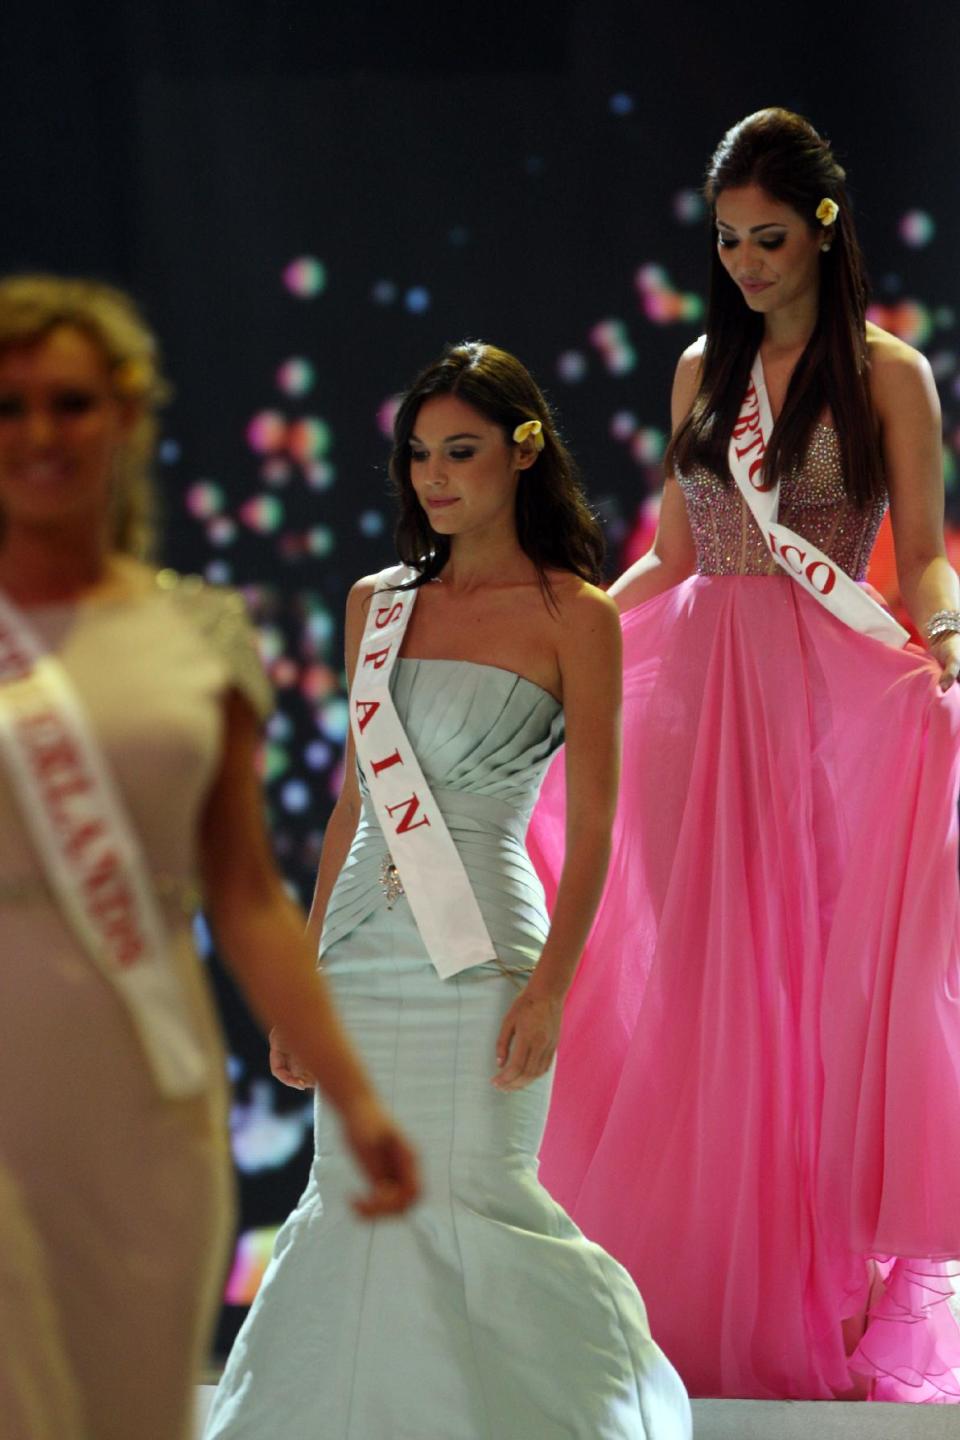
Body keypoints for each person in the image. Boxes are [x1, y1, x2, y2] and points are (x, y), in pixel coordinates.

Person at [528, 107, 960, 1402]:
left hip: (820, 704)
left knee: (806, 1008)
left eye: (768, 239)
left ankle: (812, 1305)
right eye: (728, 242)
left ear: (824, 232)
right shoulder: (697, 374)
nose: (747, 264)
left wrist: (942, 633)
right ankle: (680, 1297)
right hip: (691, 703)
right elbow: (673, 548)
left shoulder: (890, 377)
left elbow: (925, 549)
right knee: (696, 994)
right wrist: (568, 625)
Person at [204, 341, 691, 1438]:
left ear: (523, 455)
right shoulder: (374, 603)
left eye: (461, 451)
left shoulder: (579, 614)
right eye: (419, 454)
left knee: (479, 1199)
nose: (435, 476)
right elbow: (348, 807)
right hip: (360, 956)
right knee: (355, 1209)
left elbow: (602, 819)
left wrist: (552, 989)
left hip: (484, 957)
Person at [0, 274, 419, 1440]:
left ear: (128, 416)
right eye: (10, 405)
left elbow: (245, 893)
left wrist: (355, 1093)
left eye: (72, 403)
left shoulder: (201, 635)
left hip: (147, 1099)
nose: (41, 433)